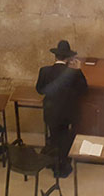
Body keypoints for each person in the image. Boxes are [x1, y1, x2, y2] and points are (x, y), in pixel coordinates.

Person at [35, 40, 88, 178]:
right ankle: (61, 166)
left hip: (50, 111)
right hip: (67, 113)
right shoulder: (72, 73)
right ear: (69, 58)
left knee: (54, 135)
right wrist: (78, 70)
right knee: (64, 137)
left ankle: (52, 161)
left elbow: (39, 90)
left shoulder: (44, 71)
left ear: (55, 56)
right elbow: (84, 90)